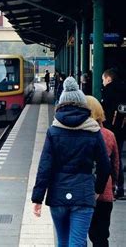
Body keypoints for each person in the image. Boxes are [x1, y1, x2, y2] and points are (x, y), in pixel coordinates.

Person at [32, 77, 111, 247]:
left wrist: (37, 198)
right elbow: (105, 165)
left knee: (63, 241)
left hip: (58, 195)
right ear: (83, 105)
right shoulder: (93, 130)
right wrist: (97, 190)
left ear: (61, 104)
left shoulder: (53, 131)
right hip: (83, 194)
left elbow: (44, 167)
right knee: (77, 242)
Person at [85, 95, 120, 247]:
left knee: (81, 234)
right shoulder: (109, 135)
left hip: (84, 193)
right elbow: (115, 165)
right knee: (101, 236)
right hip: (105, 194)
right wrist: (113, 185)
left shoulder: (80, 135)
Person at [101, 69, 126, 199]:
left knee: (110, 159)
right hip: (122, 130)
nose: (102, 83)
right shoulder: (123, 90)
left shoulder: (108, 91)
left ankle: (112, 187)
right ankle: (120, 187)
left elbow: (105, 113)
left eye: (103, 80)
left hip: (111, 130)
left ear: (108, 79)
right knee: (117, 159)